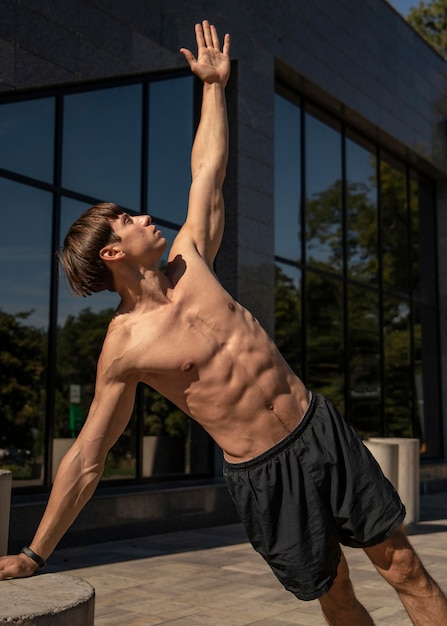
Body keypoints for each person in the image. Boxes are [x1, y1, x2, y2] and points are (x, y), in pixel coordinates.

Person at [0, 20, 446, 626]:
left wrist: (214, 87)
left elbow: (208, 170)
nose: (144, 217)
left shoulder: (192, 259)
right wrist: (33, 552)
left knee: (403, 567)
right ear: (111, 253)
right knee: (335, 592)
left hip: (318, 428)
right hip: (265, 473)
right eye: (128, 220)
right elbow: (88, 457)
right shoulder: (125, 348)